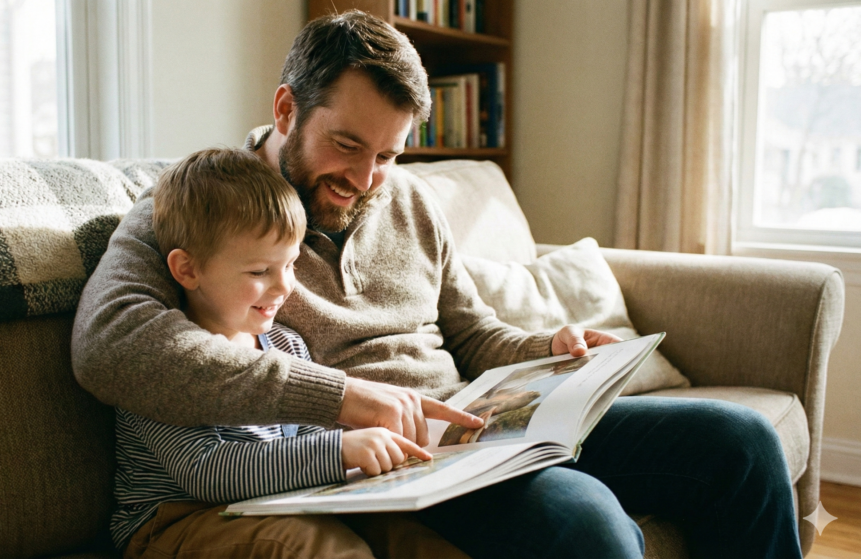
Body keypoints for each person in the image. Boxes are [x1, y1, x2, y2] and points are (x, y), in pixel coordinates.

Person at [74, 10, 803, 558]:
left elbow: (472, 332)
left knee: (736, 441)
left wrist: (549, 347)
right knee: (588, 524)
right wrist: (344, 399)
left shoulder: (411, 200)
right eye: (347, 145)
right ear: (287, 108)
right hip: (389, 464)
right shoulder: (199, 212)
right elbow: (110, 347)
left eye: (387, 155)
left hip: (477, 423)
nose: (364, 181)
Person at [111, 148, 435, 557]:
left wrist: (363, 450)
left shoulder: (285, 344)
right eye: (260, 271)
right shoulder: (161, 361)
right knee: (309, 545)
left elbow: (307, 437)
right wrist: (335, 453)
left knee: (409, 537)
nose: (285, 288)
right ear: (188, 270)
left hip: (280, 502)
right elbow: (206, 472)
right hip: (177, 521)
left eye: (291, 264)